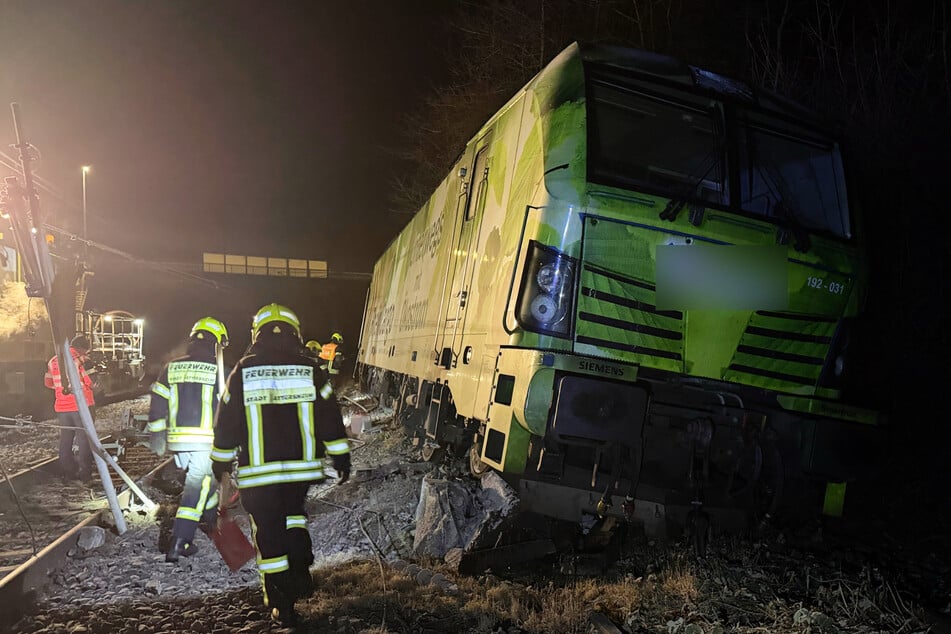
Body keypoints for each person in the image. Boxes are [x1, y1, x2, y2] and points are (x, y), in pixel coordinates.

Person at [211, 303, 350, 628]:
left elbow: (227, 422)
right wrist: (340, 455)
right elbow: (330, 415)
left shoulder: (243, 370)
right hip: (300, 473)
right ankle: (301, 567)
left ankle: (281, 604)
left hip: (259, 476)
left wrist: (220, 462)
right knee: (294, 517)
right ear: (295, 334)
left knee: (269, 537)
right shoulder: (311, 369)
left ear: (257, 335)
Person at [148, 317, 229, 562]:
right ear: (216, 344)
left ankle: (212, 521)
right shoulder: (219, 371)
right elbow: (227, 409)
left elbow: (158, 402)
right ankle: (180, 542)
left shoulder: (171, 367)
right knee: (195, 490)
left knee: (207, 484)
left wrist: (157, 436)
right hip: (206, 442)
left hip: (179, 442)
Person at [44, 335, 97, 482]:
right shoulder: (82, 360)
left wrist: (61, 388)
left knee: (66, 440)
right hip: (81, 406)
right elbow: (92, 382)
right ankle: (85, 475)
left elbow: (48, 382)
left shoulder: (53, 360)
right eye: (86, 351)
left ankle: (68, 473)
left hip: (62, 407)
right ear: (82, 349)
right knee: (84, 440)